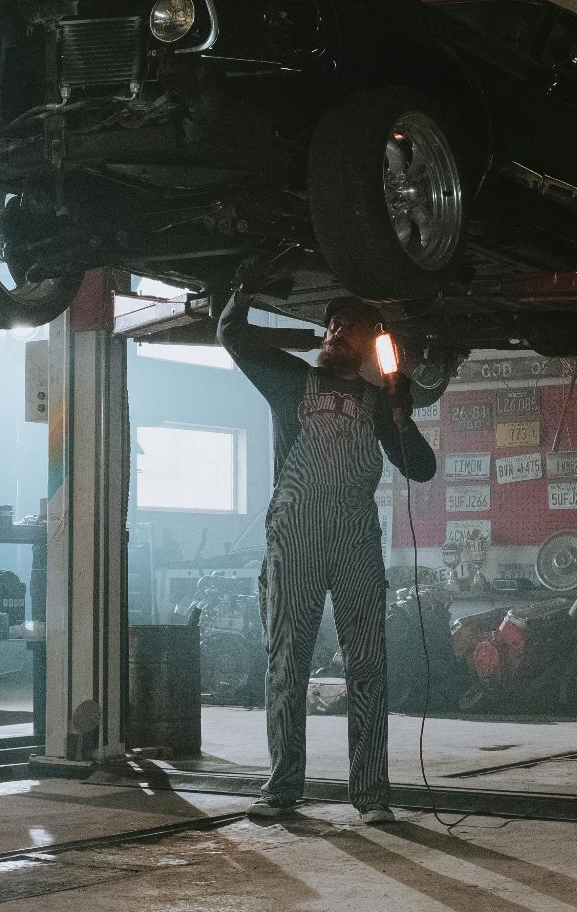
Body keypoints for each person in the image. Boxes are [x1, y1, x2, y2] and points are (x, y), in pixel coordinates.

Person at [218, 279, 437, 824]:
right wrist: (244, 290)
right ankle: (282, 786)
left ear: (366, 348)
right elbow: (231, 335)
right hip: (296, 530)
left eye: (352, 328)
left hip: (355, 534)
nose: (338, 331)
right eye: (334, 324)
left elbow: (422, 468)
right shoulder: (289, 378)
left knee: (368, 663)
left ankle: (371, 796)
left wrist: (402, 416)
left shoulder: (377, 399)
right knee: (286, 659)